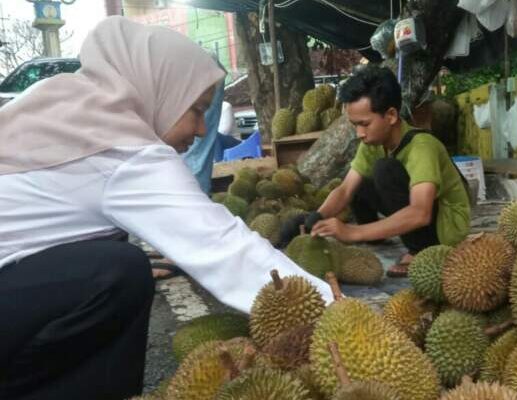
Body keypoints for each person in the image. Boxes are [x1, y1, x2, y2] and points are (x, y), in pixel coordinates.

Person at [0, 16, 332, 400]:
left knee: (115, 264)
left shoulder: (68, 103)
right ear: (163, 90)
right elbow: (223, 246)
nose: (203, 130)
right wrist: (336, 310)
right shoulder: (123, 147)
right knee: (119, 272)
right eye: (196, 109)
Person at [281, 66, 470, 276]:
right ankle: (374, 234)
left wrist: (352, 232)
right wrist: (316, 217)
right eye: (355, 125)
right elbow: (345, 190)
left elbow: (420, 213)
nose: (359, 133)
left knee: (384, 170)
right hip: (419, 208)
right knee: (359, 181)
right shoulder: (373, 143)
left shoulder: (422, 147)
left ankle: (420, 249)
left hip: (447, 225)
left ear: (390, 115)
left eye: (364, 124)